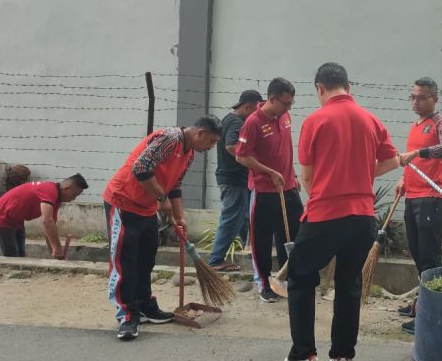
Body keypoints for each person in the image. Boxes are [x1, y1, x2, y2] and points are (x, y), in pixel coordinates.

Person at [269, 62, 401, 361]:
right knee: (349, 284)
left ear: (319, 88)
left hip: (325, 215)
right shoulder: (371, 120)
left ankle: (303, 357)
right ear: (348, 86)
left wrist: (332, 182)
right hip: (362, 217)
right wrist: (357, 173)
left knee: (300, 278)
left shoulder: (316, 120)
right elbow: (391, 161)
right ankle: (343, 357)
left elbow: (309, 178)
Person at [104, 116, 222, 341]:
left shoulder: (188, 154)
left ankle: (145, 306)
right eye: (212, 142)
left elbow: (175, 185)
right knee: (125, 260)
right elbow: (141, 168)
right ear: (200, 133)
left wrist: (179, 216)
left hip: (146, 208)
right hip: (123, 202)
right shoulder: (170, 139)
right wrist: (161, 197)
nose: (211, 147)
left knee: (146, 258)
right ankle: (127, 316)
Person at [394, 77, 442, 335]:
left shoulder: (441, 123)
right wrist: (402, 178)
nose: (416, 102)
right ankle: (423, 302)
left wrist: (418, 154)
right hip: (412, 195)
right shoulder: (415, 125)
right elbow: (411, 162)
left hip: (431, 196)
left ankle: (432, 313)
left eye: (421, 97)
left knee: (430, 258)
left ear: (434, 99)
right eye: (413, 97)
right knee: (418, 254)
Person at [235, 78, 304, 302]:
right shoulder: (253, 122)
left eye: (291, 104)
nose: (288, 108)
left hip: (288, 187)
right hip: (264, 190)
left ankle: (287, 279)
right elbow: (241, 155)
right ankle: (264, 283)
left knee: (295, 234)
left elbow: (284, 150)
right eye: (285, 103)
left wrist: (291, 174)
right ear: (272, 99)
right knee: (261, 239)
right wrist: (269, 172)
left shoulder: (284, 116)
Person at [207, 89, 263, 271]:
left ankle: (254, 250)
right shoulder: (237, 123)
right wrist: (248, 158)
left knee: (243, 217)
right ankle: (216, 260)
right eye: (256, 111)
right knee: (232, 218)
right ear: (247, 107)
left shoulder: (229, 119)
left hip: (234, 178)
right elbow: (231, 145)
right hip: (233, 179)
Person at [0, 174, 88, 258]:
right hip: (1, 217)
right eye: (74, 195)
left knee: (20, 255)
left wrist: (55, 252)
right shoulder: (50, 191)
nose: (74, 199)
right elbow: (47, 221)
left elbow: (49, 228)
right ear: (66, 188)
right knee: (12, 256)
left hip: (16, 220)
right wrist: (57, 248)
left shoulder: (55, 199)